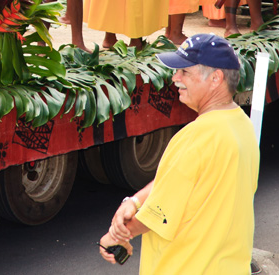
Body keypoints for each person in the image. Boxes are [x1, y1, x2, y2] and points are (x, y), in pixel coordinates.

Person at [99, 34, 259, 274]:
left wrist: (118, 234)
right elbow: (179, 180)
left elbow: (158, 214)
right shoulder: (243, 125)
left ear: (216, 78)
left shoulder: (196, 136)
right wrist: (135, 200)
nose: (175, 78)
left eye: (185, 72)